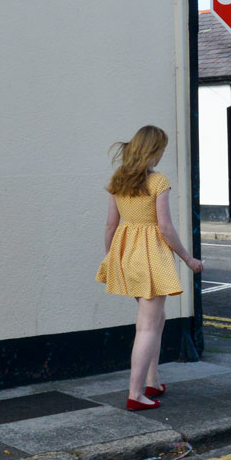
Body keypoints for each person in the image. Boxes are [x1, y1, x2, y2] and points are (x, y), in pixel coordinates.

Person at [96, 125, 203, 411]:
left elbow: (110, 225)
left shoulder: (118, 179)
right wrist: (188, 259)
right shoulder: (158, 182)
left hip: (125, 255)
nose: (161, 156)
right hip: (150, 257)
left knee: (157, 319)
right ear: (152, 151)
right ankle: (136, 393)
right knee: (147, 327)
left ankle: (153, 380)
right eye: (161, 150)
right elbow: (165, 228)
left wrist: (111, 259)